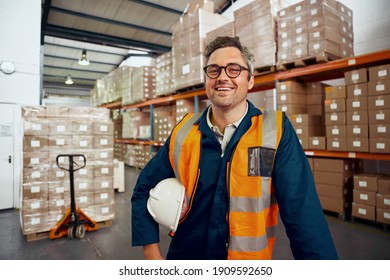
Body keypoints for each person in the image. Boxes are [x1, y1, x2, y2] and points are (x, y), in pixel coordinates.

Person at [131, 36, 339, 260]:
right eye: (214, 70)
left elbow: (303, 212)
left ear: (250, 80)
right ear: (207, 80)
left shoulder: (275, 130)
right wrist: (150, 251)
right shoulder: (184, 131)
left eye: (234, 69)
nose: (222, 77)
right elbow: (144, 187)